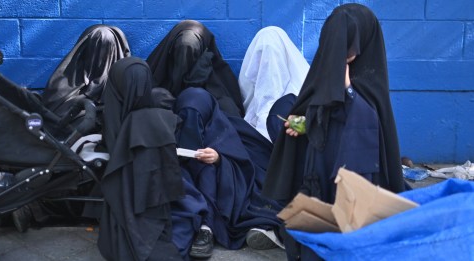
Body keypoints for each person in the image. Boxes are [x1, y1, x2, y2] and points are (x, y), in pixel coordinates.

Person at [262, 4, 405, 260]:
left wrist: (347, 88)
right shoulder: (326, 68)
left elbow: (369, 123)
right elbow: (316, 104)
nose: (345, 53)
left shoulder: (371, 81)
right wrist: (302, 122)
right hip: (320, 167)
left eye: (349, 45)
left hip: (355, 175)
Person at [171, 87, 282, 259]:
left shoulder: (224, 127)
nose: (192, 122)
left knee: (208, 169)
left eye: (196, 117)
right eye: (187, 117)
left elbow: (242, 163)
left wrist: (218, 158)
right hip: (188, 185)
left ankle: (206, 228)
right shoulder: (175, 126)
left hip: (221, 190)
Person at [97, 57, 184, 261]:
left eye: (141, 85)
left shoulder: (151, 113)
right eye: (132, 85)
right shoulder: (137, 117)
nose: (137, 93)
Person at [146, 20, 245, 117]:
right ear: (171, 49)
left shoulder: (220, 97)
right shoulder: (154, 92)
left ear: (201, 51)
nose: (184, 59)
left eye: (192, 53)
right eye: (180, 51)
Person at [42, 24, 131, 118]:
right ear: (86, 49)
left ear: (115, 51)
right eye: (96, 49)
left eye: (107, 51)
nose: (100, 58)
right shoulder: (61, 86)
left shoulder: (125, 83)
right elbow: (53, 116)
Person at [239, 26, 309, 141]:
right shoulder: (248, 104)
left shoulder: (303, 89)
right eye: (261, 56)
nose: (269, 63)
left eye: (274, 55)